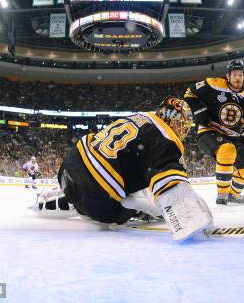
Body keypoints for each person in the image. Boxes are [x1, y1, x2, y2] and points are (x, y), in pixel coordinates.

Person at [32, 96, 213, 241]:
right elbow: (169, 183)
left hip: (70, 167)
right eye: (182, 125)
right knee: (147, 192)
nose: (183, 130)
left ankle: (72, 195)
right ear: (174, 120)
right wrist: (191, 217)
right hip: (99, 199)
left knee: (130, 168)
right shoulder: (165, 137)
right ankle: (134, 208)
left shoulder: (140, 117)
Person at [184, 60, 244, 205]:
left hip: (233, 136)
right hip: (209, 132)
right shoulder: (213, 85)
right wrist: (199, 110)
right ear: (228, 76)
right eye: (234, 74)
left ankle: (233, 194)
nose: (238, 78)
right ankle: (222, 197)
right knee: (227, 150)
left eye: (240, 75)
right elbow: (190, 93)